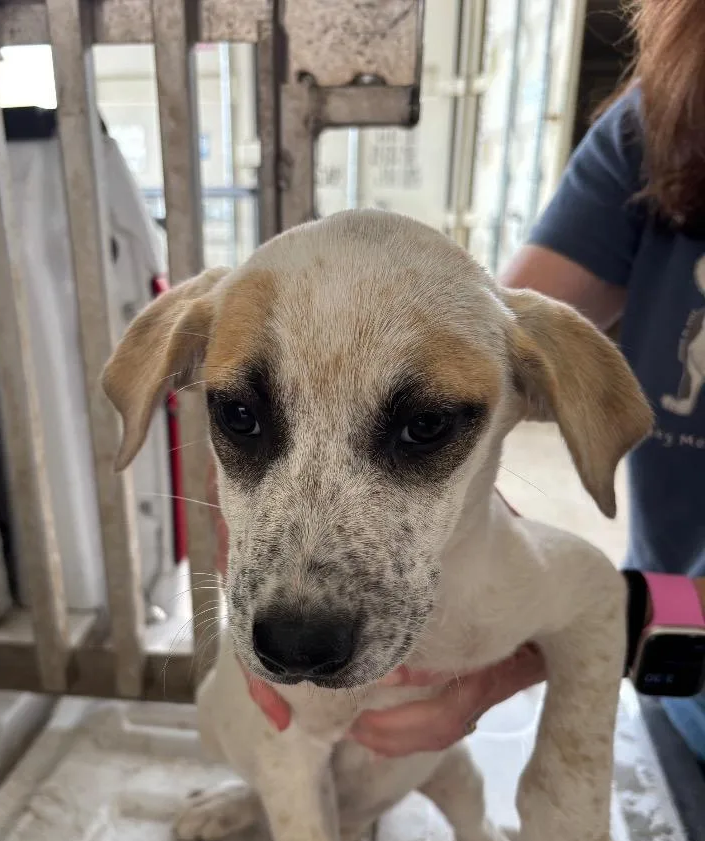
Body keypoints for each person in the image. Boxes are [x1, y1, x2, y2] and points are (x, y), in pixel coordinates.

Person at [208, 0, 705, 760]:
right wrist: (248, 507)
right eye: (239, 419)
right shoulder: (671, 113)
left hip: (662, 638)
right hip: (672, 688)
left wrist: (555, 628)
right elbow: (477, 342)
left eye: (424, 429)